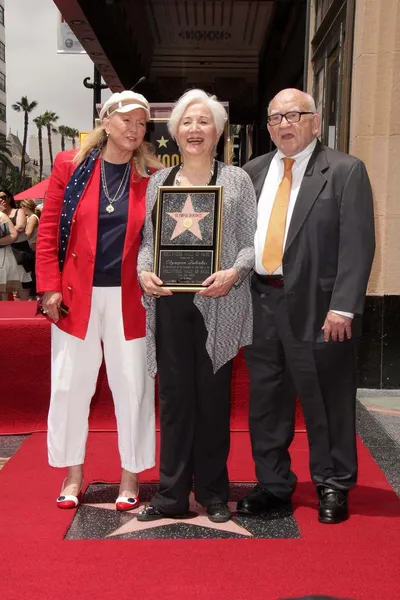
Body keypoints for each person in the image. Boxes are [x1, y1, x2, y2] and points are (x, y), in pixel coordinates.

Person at [237, 88, 375, 524]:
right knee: (266, 401)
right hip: (260, 302)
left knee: (327, 399)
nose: (284, 124)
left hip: (321, 308)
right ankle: (273, 484)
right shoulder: (252, 172)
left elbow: (358, 245)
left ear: (315, 121)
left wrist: (344, 308)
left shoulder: (345, 171)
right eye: (275, 118)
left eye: (293, 115)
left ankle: (333, 483)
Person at [35, 91, 162, 510]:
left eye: (142, 123)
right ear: (106, 122)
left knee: (133, 386)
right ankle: (73, 476)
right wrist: (49, 286)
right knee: (71, 384)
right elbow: (50, 227)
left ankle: (131, 476)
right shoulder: (69, 167)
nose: (135, 129)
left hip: (132, 298)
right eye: (127, 120)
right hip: (74, 296)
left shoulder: (153, 175)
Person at [137, 89, 257, 523]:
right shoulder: (159, 183)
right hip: (169, 304)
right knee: (173, 400)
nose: (194, 129)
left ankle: (212, 493)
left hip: (218, 306)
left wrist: (233, 274)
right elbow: (147, 246)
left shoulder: (236, 180)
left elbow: (249, 245)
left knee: (211, 401)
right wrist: (143, 273)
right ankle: (170, 494)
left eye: (203, 121)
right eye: (186, 122)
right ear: (175, 132)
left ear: (218, 130)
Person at [0, 189, 32, 300]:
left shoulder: (18, 211)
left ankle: (24, 312)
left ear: (9, 198)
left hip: (19, 252)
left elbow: (20, 227)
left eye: (4, 197)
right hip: (4, 253)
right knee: (4, 285)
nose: (1, 200)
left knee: (23, 283)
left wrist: (4, 216)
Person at [21, 198, 41, 298]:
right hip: (33, 248)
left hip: (33, 249)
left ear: (25, 207)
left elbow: (27, 234)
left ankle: (34, 295)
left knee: (33, 274)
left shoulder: (32, 218)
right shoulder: (30, 217)